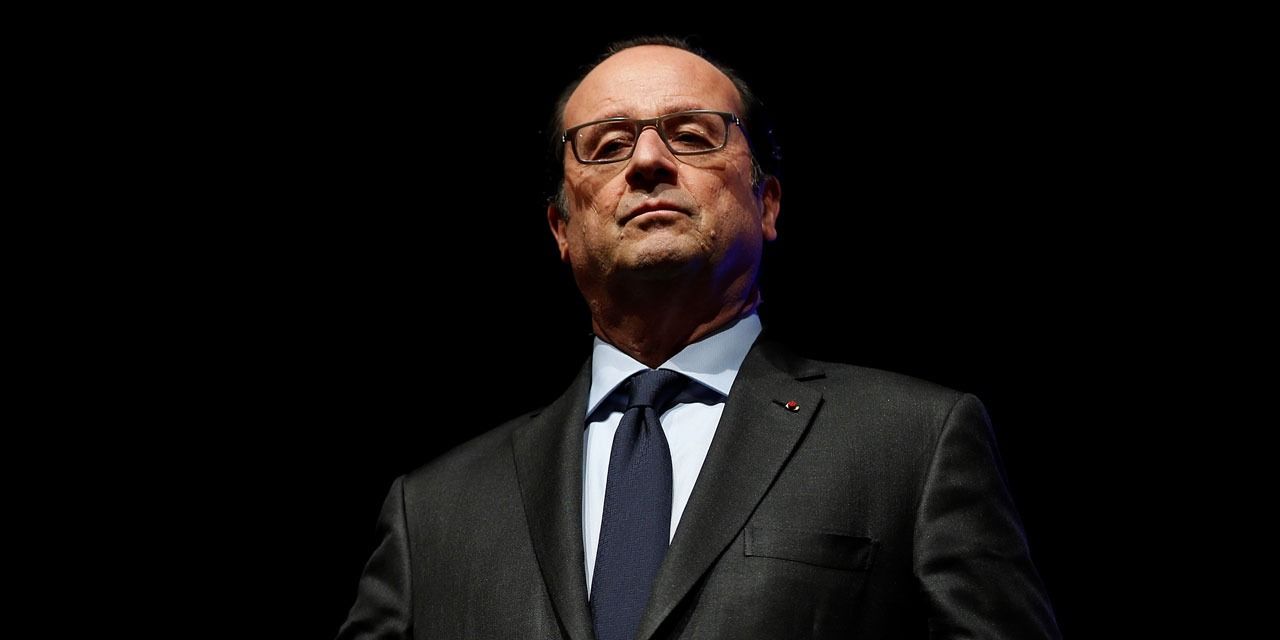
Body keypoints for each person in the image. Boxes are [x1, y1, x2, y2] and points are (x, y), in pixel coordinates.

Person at [338, 36, 1059, 640]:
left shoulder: (913, 442)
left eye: (691, 135)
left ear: (766, 203)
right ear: (561, 228)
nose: (648, 162)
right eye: (608, 145)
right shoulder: (432, 512)